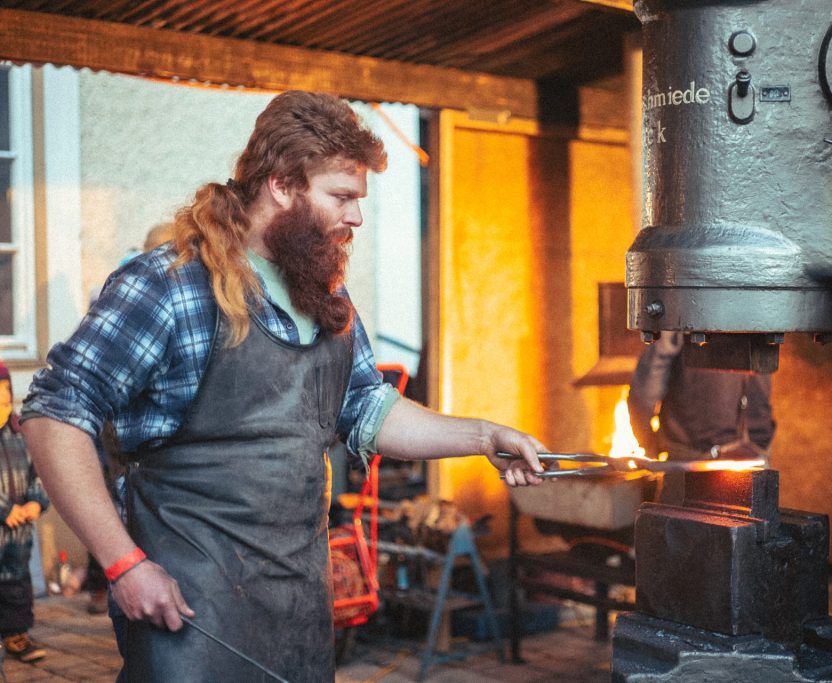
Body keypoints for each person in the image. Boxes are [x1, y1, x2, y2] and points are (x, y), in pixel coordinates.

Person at [20, 91, 545, 682]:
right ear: (281, 185)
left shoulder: (325, 297)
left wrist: (483, 435)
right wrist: (121, 564)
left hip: (297, 612)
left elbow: (369, 407)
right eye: (341, 197)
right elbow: (53, 411)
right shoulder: (171, 285)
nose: (356, 217)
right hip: (189, 611)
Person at [627, 332, 775, 462]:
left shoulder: (684, 303)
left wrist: (647, 442)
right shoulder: (762, 304)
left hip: (690, 460)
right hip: (753, 455)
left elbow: (645, 390)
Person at [0, 359, 49, 663]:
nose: (2, 408)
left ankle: (16, 633)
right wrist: (4, 509)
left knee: (17, 583)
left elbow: (40, 471)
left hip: (18, 535)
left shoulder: (21, 434)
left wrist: (36, 500)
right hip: (5, 518)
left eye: (5, 400)